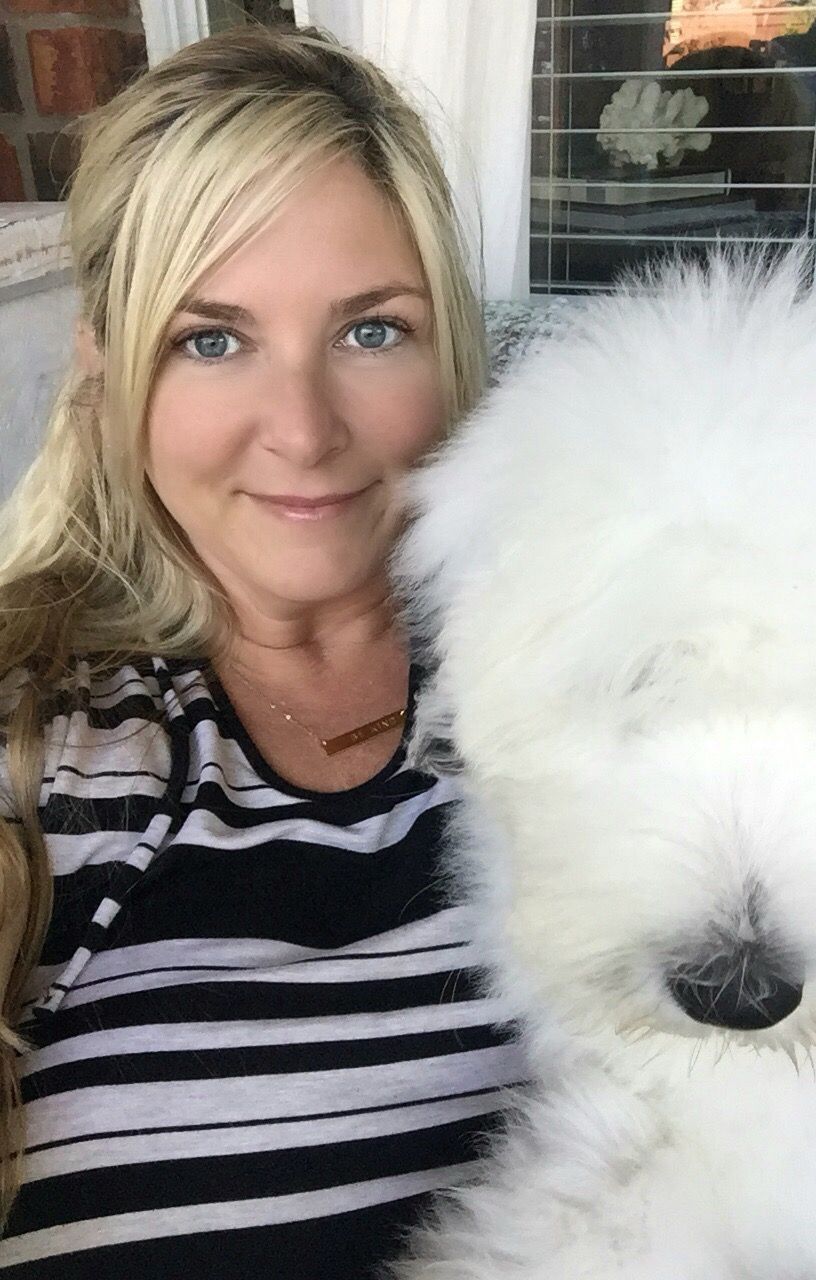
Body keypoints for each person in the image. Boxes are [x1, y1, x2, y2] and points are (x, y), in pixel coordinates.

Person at [0, 25, 525, 1278]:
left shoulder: (587, 665)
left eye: (371, 331)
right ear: (108, 368)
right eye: (214, 338)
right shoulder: (35, 736)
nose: (302, 429)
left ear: (452, 349)